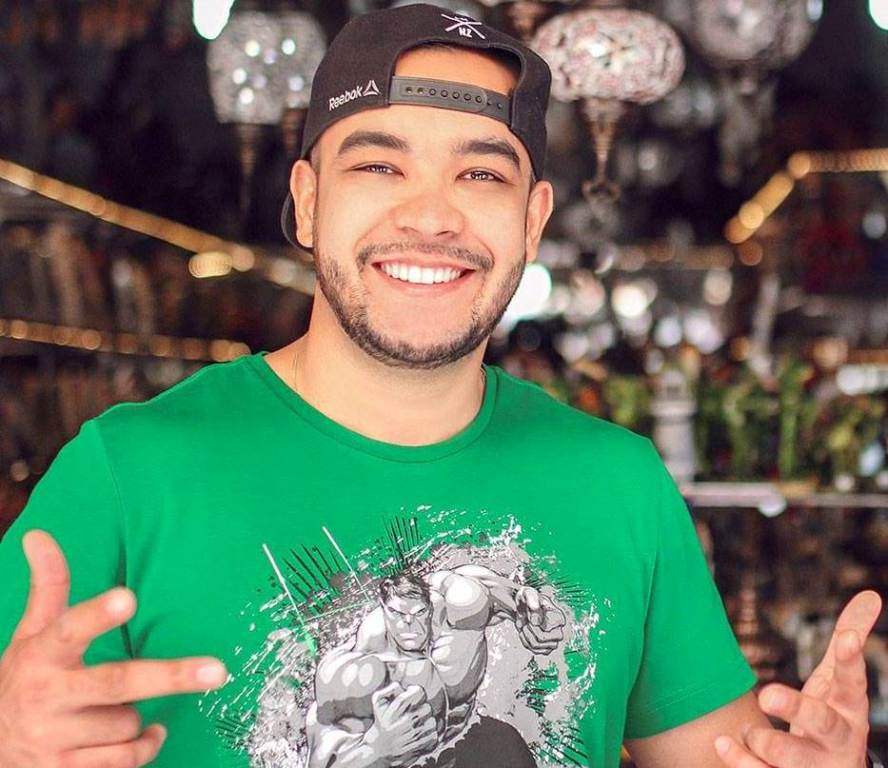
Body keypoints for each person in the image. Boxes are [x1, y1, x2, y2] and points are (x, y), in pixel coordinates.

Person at [0, 5, 881, 768]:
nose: (429, 216)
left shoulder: (620, 483)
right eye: (378, 165)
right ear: (306, 201)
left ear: (532, 220)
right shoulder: (125, 475)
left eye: (481, 173)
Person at [306, 568, 566, 768]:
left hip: (470, 739)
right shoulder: (356, 672)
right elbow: (321, 759)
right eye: (398, 615)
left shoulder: (463, 603)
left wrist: (531, 613)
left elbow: (508, 597)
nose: (410, 625)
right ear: (385, 610)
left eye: (419, 613)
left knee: (505, 744)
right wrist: (376, 751)